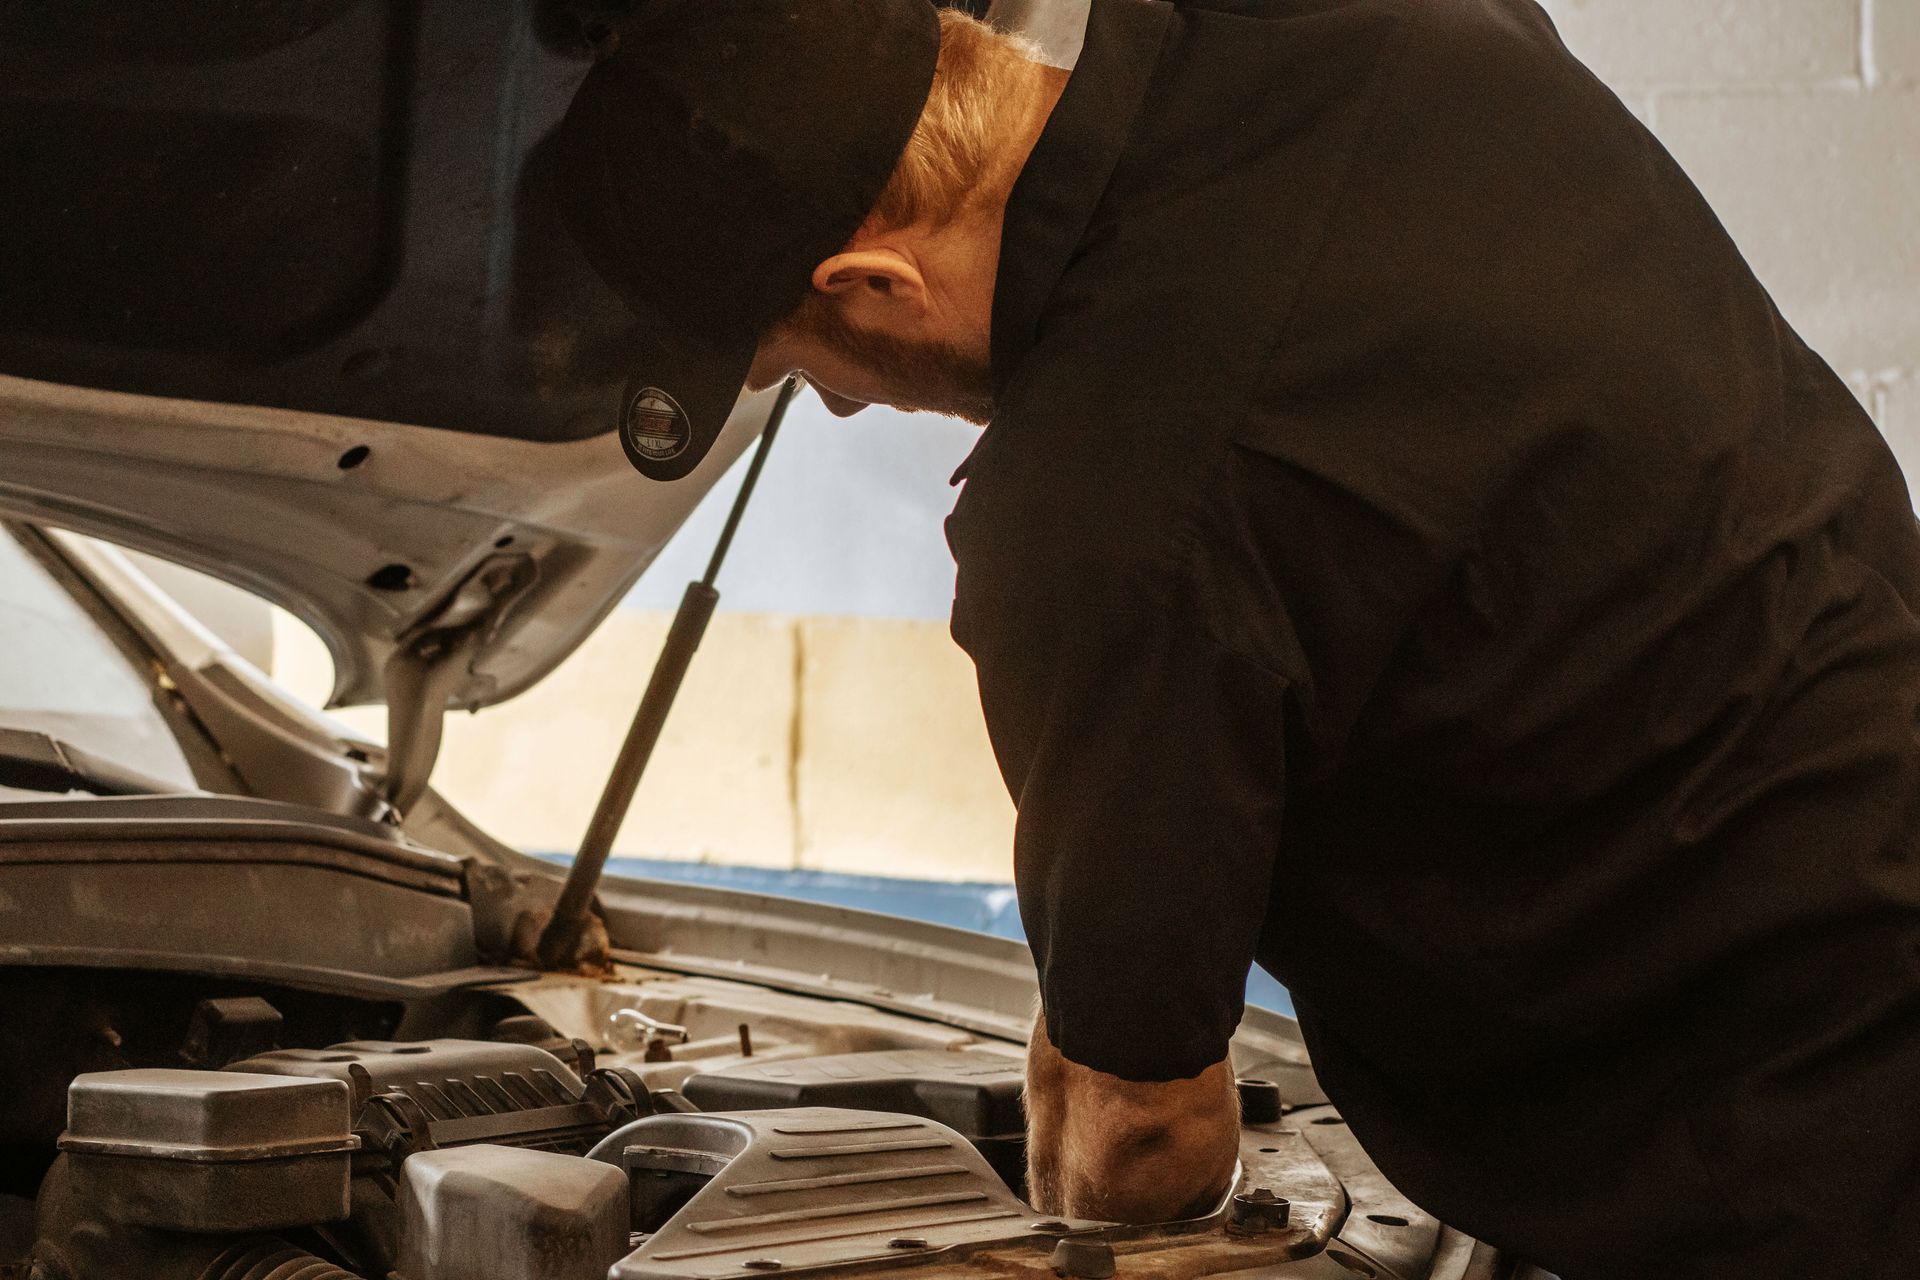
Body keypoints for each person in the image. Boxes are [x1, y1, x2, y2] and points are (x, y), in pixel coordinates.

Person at [551, 0, 1920, 1275]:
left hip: (1777, 1143)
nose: (846, 411)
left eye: (805, 367)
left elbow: (1140, 1129)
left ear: (873, 281)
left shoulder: (1100, 517)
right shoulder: (1353, 28)